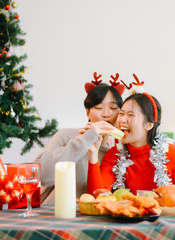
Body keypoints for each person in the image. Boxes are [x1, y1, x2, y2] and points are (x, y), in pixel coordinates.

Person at [87, 76, 175, 195]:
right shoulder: (113, 155)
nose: (122, 120)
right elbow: (97, 197)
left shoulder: (173, 154)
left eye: (130, 115)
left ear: (149, 125)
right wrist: (93, 153)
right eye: (121, 113)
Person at [36, 72, 125, 203]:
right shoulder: (66, 136)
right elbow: (41, 174)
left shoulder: (116, 152)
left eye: (113, 108)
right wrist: (85, 139)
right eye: (99, 107)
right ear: (87, 111)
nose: (106, 114)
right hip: (53, 214)